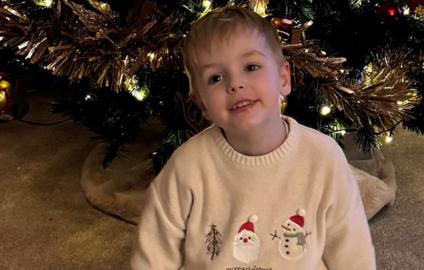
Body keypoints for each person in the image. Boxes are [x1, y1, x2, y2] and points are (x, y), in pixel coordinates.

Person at [131, 6, 376, 270]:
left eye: (251, 66)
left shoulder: (323, 157)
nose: (234, 84)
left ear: (283, 79)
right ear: (202, 103)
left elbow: (352, 252)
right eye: (215, 78)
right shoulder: (186, 167)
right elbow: (154, 254)